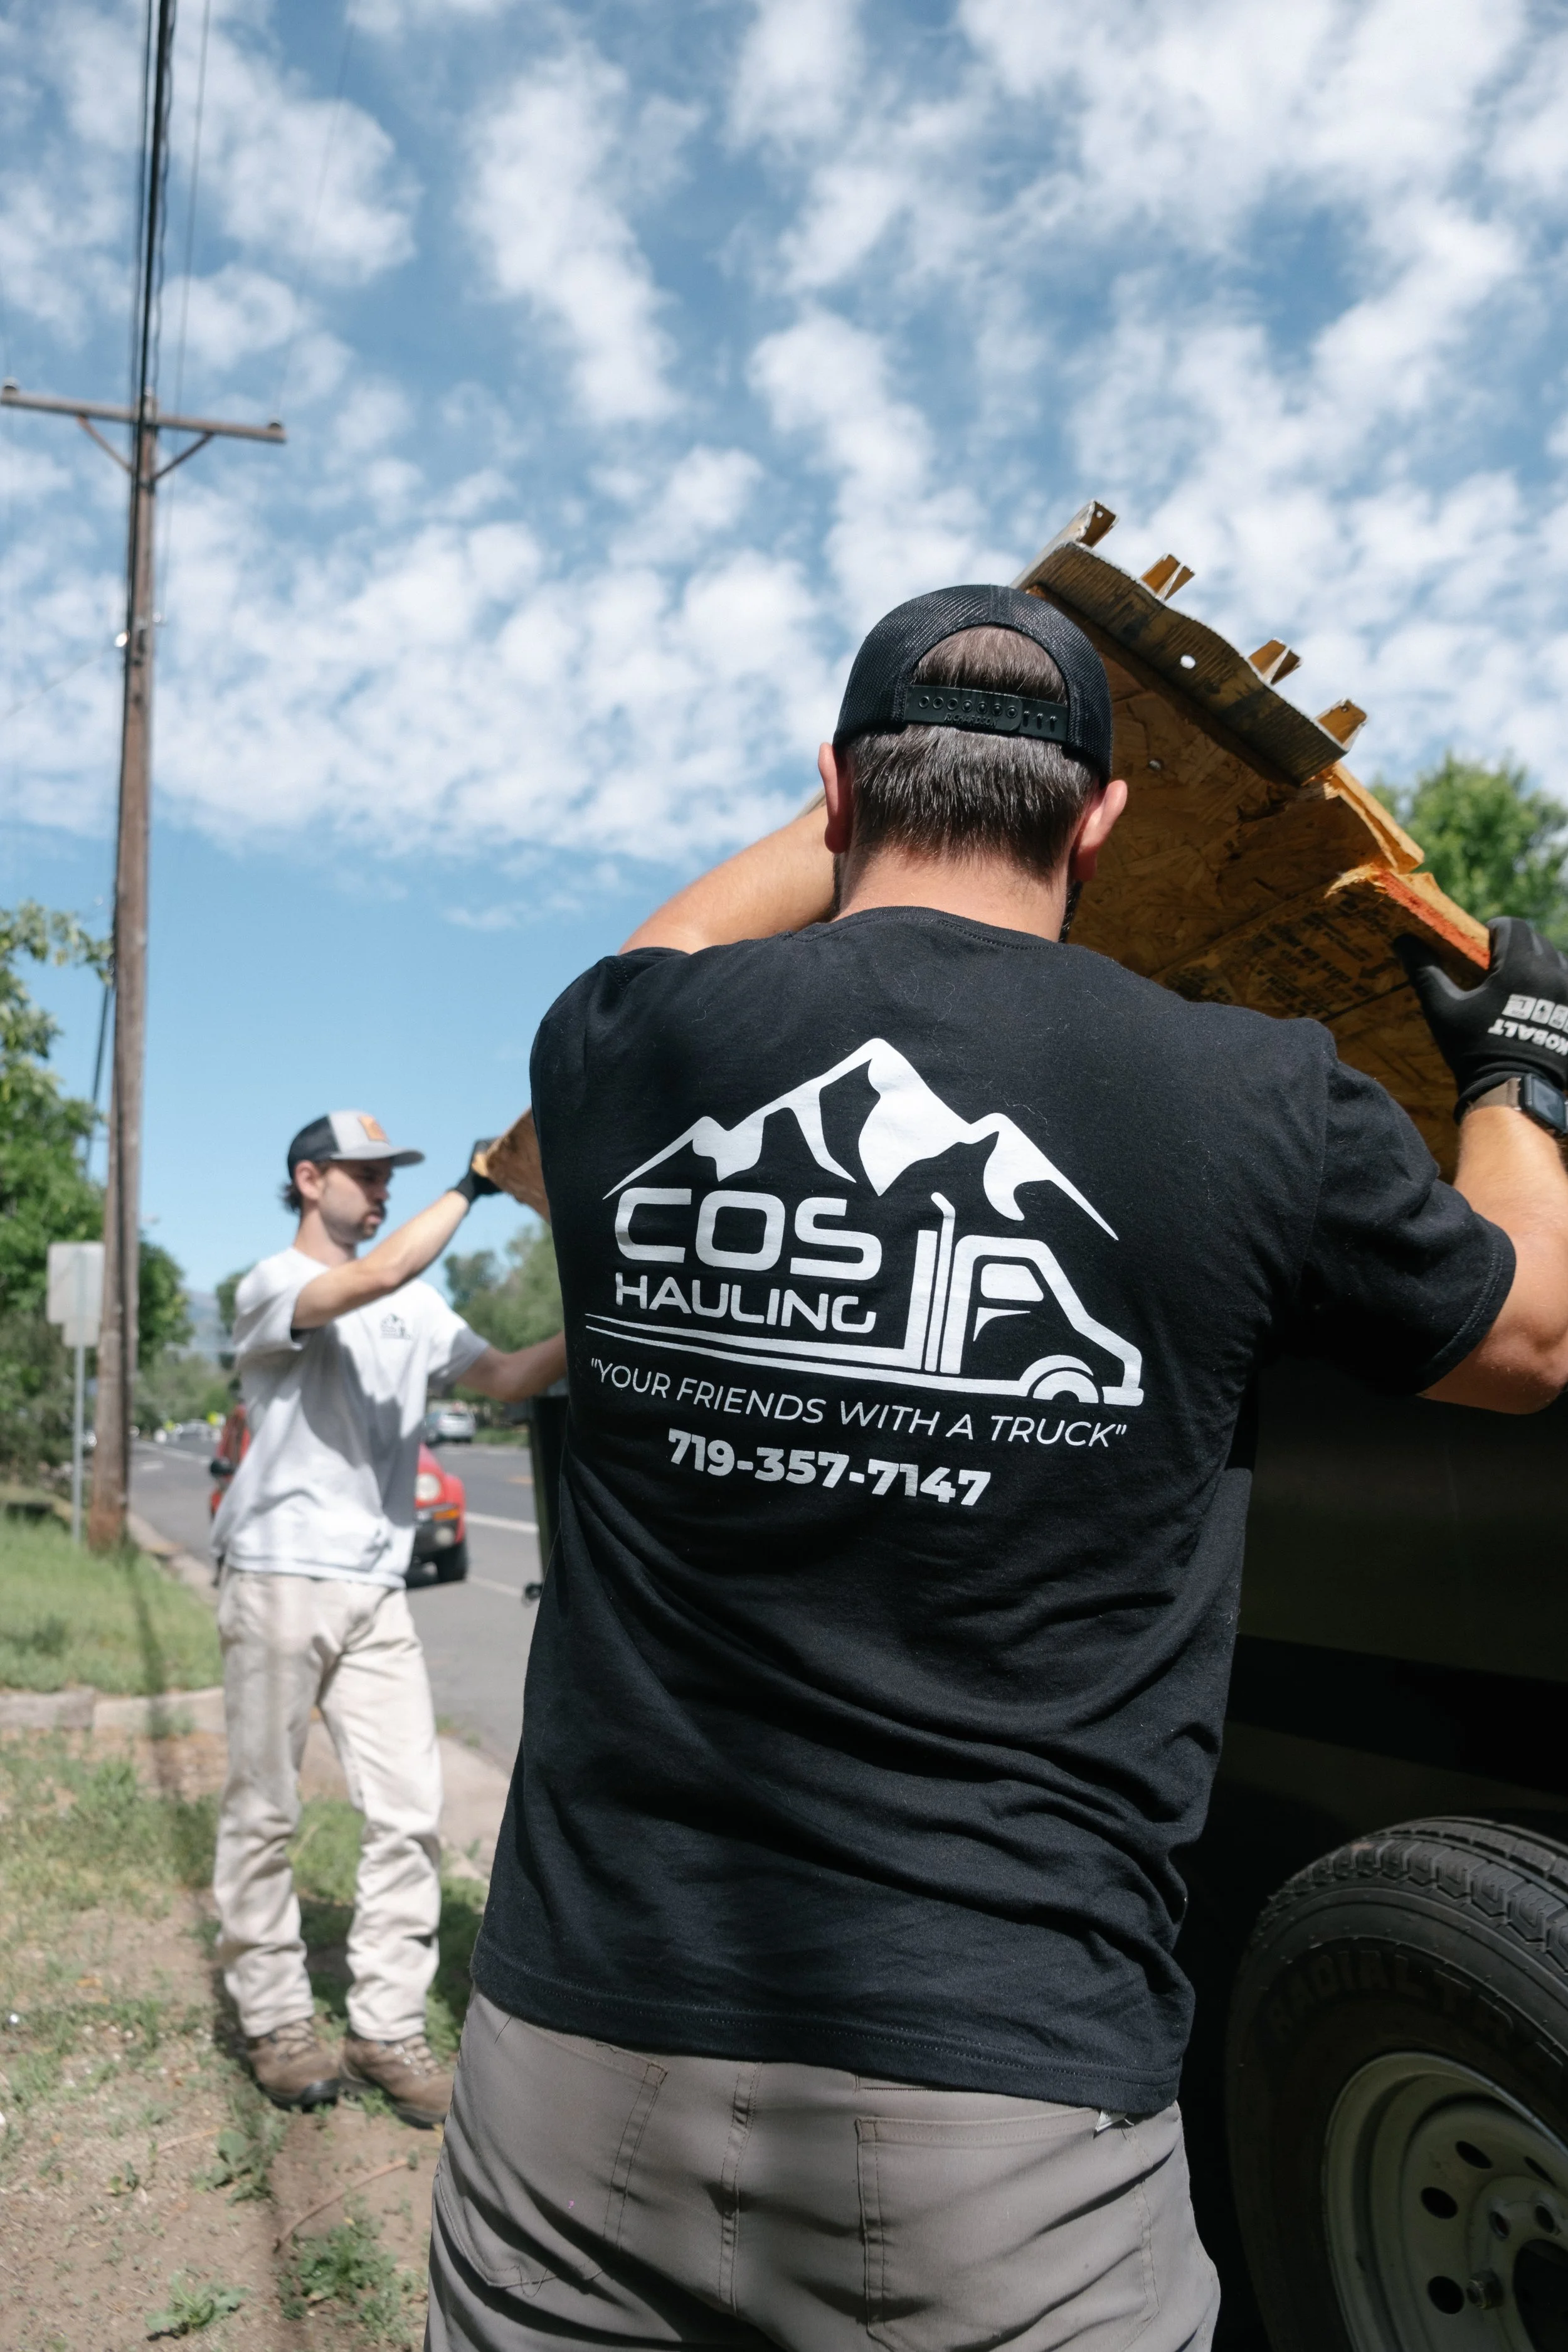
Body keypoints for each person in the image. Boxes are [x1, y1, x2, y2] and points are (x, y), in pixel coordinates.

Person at [425, 589, 1568, 2348]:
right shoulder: (1255, 1095)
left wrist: (858, 796)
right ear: (1100, 820)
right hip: (998, 2131)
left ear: (831, 789)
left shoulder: (614, 1052)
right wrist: (1516, 1067)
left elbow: (671, 936)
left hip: (569, 2072)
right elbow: (1528, 1338)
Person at [213, 1110, 565, 2124]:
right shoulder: (275, 1288)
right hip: (278, 1575)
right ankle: (277, 2017)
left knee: (409, 1811)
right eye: (362, 1174)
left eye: (389, 1176)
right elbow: (365, 1280)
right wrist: (474, 1188)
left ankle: (384, 2026)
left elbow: (502, 1378)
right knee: (264, 1810)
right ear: (308, 1177)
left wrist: (614, 1310)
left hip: (376, 1588)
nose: (379, 1190)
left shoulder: (417, 1307)